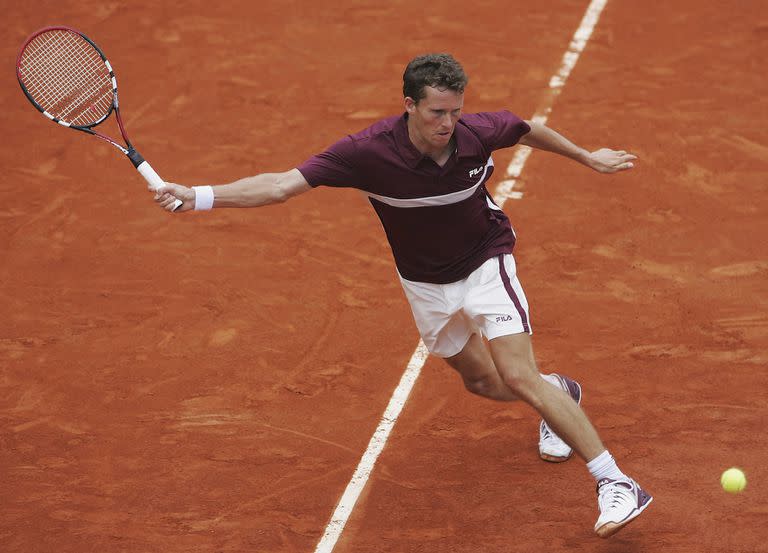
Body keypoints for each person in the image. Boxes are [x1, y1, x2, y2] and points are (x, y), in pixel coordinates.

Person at [153, 53, 652, 538]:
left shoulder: (478, 131)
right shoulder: (366, 152)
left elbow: (525, 128)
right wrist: (198, 196)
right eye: (437, 112)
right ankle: (559, 392)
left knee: (518, 374)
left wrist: (588, 157)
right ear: (409, 105)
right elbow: (282, 185)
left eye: (456, 110)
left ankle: (616, 481)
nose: (448, 123)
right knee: (482, 382)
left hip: (486, 262)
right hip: (425, 284)